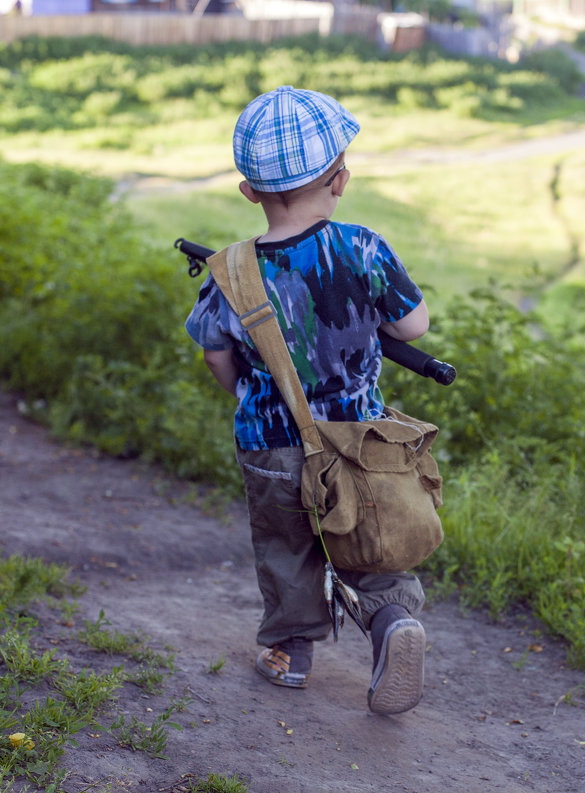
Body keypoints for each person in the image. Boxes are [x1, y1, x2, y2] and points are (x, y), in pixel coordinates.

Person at [184, 86, 430, 715]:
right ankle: (391, 624)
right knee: (371, 536)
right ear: (341, 180)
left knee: (286, 547)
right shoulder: (364, 248)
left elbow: (215, 351)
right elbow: (413, 328)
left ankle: (290, 653)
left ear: (249, 192)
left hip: (271, 442)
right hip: (359, 438)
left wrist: (244, 391)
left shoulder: (232, 270)